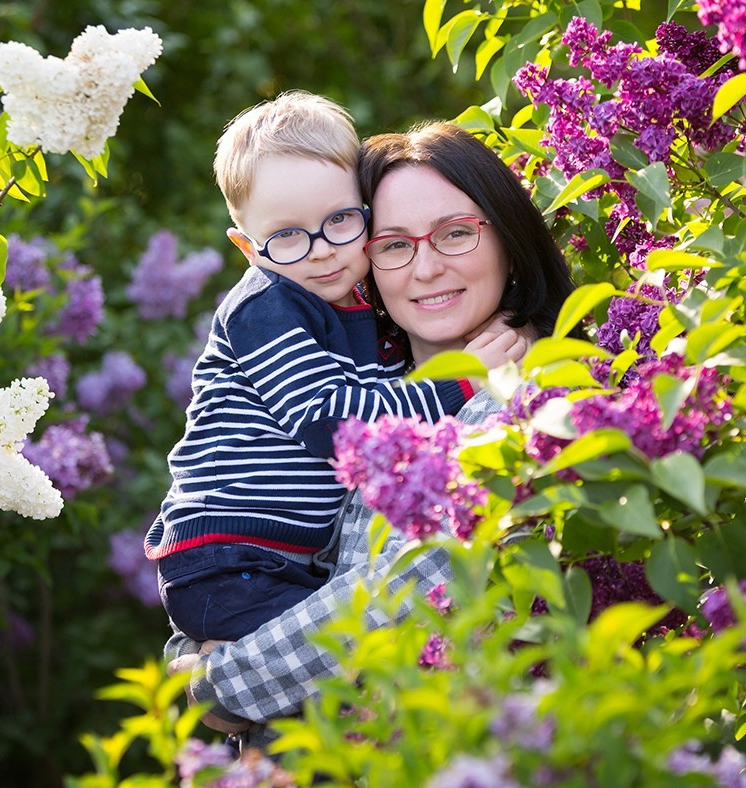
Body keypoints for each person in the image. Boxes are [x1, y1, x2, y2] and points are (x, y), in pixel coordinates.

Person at [167, 120, 576, 745]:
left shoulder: (533, 402)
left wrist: (219, 686)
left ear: (509, 240)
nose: (426, 267)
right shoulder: (356, 373)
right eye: (393, 244)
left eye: (456, 234)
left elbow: (415, 584)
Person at [144, 94, 528, 645]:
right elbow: (331, 419)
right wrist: (463, 381)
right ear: (247, 248)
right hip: (230, 559)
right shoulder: (266, 308)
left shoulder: (359, 317)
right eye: (287, 235)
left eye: (341, 220)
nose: (321, 250)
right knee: (345, 664)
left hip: (285, 562)